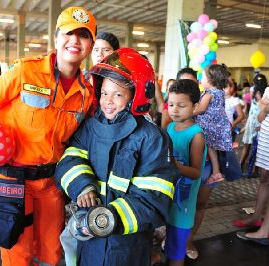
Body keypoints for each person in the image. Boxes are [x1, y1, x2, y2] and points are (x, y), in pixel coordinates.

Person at [0, 6, 96, 266]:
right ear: (56, 38)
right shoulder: (25, 71)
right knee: (17, 256)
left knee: (51, 255)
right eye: (69, 33)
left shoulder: (86, 94)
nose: (75, 40)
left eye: (84, 35)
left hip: (51, 185)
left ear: (90, 44)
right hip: (11, 182)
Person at [55, 48, 177, 266]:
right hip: (90, 239)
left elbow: (154, 199)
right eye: (104, 93)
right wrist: (83, 186)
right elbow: (69, 158)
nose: (108, 101)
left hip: (127, 246)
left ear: (137, 95)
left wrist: (107, 217)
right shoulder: (90, 127)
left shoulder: (152, 138)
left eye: (118, 94)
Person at [164, 79, 206, 266]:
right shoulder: (170, 127)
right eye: (171, 104)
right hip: (168, 195)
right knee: (170, 242)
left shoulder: (196, 135)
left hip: (183, 202)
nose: (174, 110)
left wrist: (174, 164)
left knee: (177, 252)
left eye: (181, 106)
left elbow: (196, 172)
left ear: (195, 106)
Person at [234, 75, 269, 228]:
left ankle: (268, 225)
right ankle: (256, 217)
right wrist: (265, 109)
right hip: (266, 140)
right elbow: (260, 117)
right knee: (264, 178)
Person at [194, 64, 232, 184]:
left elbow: (201, 109)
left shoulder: (209, 93)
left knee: (207, 147)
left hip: (208, 126)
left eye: (203, 77)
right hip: (217, 125)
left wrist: (187, 112)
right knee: (212, 149)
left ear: (211, 80)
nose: (200, 80)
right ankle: (216, 172)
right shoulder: (220, 92)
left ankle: (214, 172)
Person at [224, 77, 245, 142]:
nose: (223, 89)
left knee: (228, 150)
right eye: (222, 88)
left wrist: (232, 124)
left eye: (225, 88)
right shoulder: (219, 99)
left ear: (231, 88)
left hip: (228, 129)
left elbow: (241, 115)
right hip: (218, 128)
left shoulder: (234, 100)